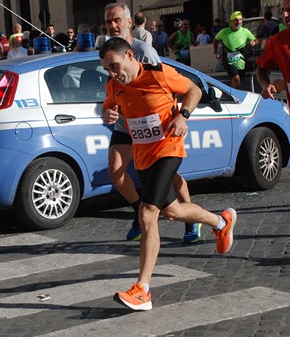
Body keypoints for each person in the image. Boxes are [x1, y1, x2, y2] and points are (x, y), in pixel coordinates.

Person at [100, 37, 237, 311]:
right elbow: (107, 107)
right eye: (108, 70)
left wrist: (183, 115)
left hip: (169, 147)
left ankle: (143, 290)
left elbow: (195, 90)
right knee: (172, 211)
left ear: (130, 55)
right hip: (143, 155)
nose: (114, 74)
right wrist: (109, 115)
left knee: (147, 212)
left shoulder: (159, 74)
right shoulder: (114, 86)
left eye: (115, 66)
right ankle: (221, 222)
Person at [104, 2, 201, 244]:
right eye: (108, 21)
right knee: (116, 171)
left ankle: (191, 218)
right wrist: (109, 111)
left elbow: (164, 86)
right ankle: (141, 210)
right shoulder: (107, 50)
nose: (113, 25)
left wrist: (181, 116)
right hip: (127, 122)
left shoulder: (143, 50)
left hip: (156, 124)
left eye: (117, 20)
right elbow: (111, 91)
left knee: (170, 176)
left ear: (129, 22)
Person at [256, 0, 290, 107]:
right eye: (283, 10)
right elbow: (261, 69)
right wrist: (266, 85)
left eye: (289, 10)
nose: (285, 15)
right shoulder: (277, 41)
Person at [213, 11, 256, 89]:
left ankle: (232, 94)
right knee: (236, 80)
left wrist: (253, 42)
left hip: (241, 59)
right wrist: (215, 52)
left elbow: (256, 40)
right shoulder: (224, 32)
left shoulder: (245, 31)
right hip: (228, 59)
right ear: (231, 22)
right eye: (236, 20)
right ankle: (236, 97)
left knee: (237, 79)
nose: (238, 22)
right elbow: (215, 40)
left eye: (240, 20)